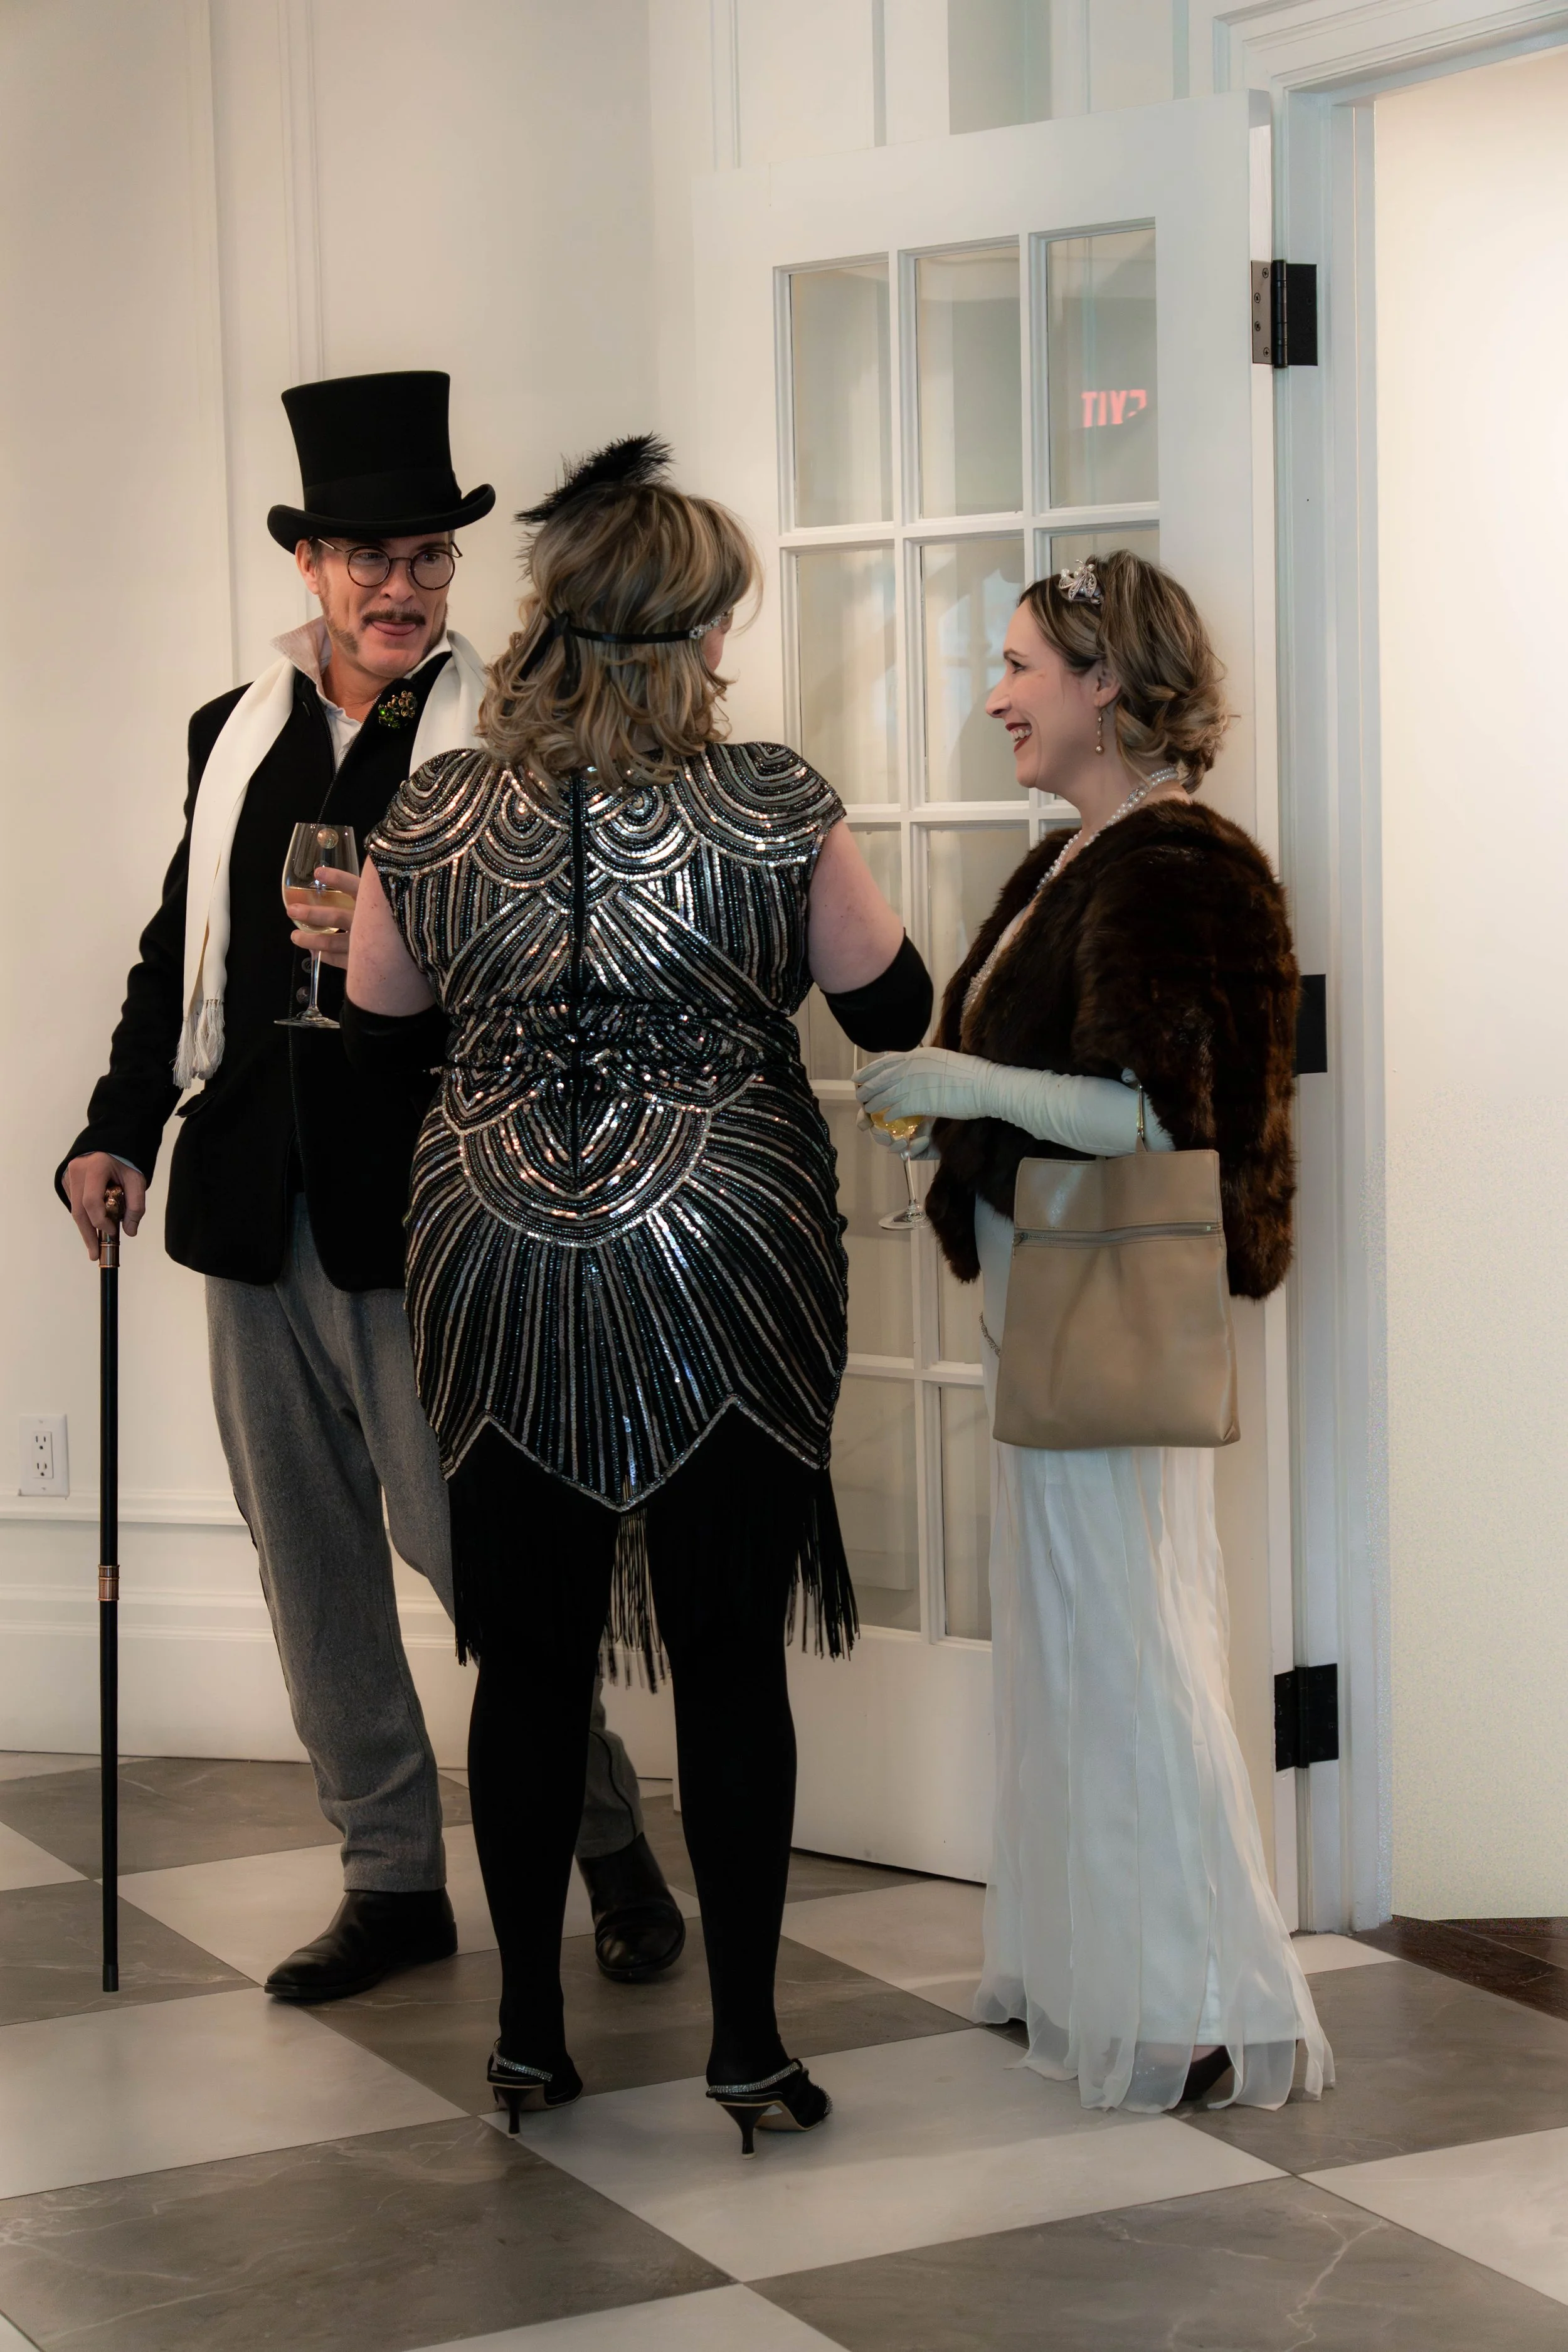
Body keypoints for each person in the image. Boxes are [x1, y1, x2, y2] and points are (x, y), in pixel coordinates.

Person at [58, 371, 683, 2003]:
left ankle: (607, 1845)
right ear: (308, 566)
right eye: (367, 558)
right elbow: (171, 957)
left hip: (445, 1208)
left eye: (426, 555)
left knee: (482, 1557)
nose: (400, 586)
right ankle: (391, 1874)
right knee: (311, 1560)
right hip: (249, 1201)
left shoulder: (520, 727)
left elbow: (584, 958)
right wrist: (114, 1127)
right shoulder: (235, 733)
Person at [344, 434, 931, 2144]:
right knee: (730, 1660)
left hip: (497, 1248)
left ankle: (528, 2031)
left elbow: (378, 1044)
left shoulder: (434, 807)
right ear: (684, 633)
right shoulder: (773, 800)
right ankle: (745, 2042)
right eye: (721, 621)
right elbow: (889, 1014)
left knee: (525, 1663)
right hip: (727, 1254)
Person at [856, 551, 1331, 2114]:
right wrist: (964, 1120)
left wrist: (963, 1090)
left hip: (1101, 1316)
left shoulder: (1173, 863)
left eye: (1015, 667)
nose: (992, 695)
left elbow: (1147, 1113)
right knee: (1083, 1642)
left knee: (1129, 1643)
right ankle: (1089, 1968)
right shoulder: (1078, 856)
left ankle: (1191, 1997)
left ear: (1102, 682)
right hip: (1050, 1308)